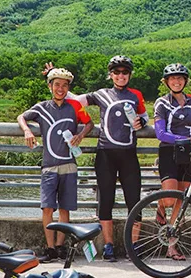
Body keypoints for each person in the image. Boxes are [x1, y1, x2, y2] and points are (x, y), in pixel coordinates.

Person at [49, 55, 148, 261]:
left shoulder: (136, 95)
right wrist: (53, 78)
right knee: (106, 201)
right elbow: (73, 99)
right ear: (110, 74)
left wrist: (141, 122)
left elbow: (144, 117)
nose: (121, 76)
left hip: (129, 154)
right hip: (106, 154)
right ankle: (109, 245)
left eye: (125, 72)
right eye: (116, 72)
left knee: (134, 201)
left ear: (129, 75)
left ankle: (134, 246)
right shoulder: (101, 94)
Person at [17, 68, 93, 263]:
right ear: (50, 86)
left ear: (68, 88)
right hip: (49, 165)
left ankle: (60, 247)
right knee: (47, 208)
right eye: (57, 84)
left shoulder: (75, 106)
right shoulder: (42, 107)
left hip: (69, 164)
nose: (61, 88)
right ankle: (50, 248)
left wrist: (81, 135)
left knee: (65, 208)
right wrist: (27, 131)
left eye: (65, 85)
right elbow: (21, 117)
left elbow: (89, 123)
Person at [153, 63, 191, 260]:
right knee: (169, 198)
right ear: (166, 82)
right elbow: (160, 133)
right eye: (172, 79)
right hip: (170, 151)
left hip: (189, 154)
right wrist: (185, 139)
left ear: (185, 81)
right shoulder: (161, 103)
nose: (176, 81)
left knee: (182, 199)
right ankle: (159, 206)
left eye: (180, 78)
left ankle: (172, 247)